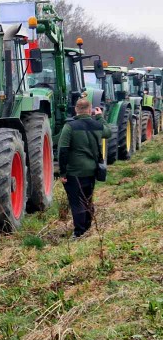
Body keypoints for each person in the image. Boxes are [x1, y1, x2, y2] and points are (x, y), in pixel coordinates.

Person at [58, 98, 112, 238]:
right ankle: (87, 228)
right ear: (90, 110)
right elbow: (108, 132)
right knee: (88, 199)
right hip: (92, 170)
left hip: (74, 171)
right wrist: (100, 117)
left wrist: (62, 172)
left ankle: (79, 232)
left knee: (77, 202)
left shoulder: (69, 127)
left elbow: (62, 150)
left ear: (76, 109)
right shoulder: (97, 125)